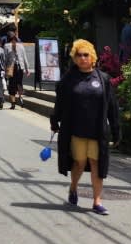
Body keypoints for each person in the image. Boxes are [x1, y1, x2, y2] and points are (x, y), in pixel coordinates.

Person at [50, 38, 120, 215]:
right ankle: (73, 188)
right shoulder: (68, 80)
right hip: (76, 130)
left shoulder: (103, 79)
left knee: (97, 163)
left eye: (86, 55)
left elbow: (112, 106)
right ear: (74, 58)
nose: (82, 58)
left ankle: (97, 201)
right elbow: (60, 103)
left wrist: (116, 129)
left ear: (92, 57)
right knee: (79, 162)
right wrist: (54, 120)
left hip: (98, 131)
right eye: (79, 55)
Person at [3, 26, 31, 108]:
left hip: (11, 68)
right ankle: (21, 98)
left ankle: (13, 103)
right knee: (19, 83)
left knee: (12, 85)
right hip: (20, 68)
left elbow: (5, 59)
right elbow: (25, 58)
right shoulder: (21, 46)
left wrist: (4, 69)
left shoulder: (6, 46)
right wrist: (27, 69)